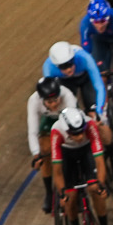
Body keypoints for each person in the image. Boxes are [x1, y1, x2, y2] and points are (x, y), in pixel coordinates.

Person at [49, 106, 113, 225]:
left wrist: (101, 185)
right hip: (66, 155)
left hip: (86, 152)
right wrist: (62, 194)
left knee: (95, 189)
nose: (79, 136)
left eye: (81, 132)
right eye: (75, 133)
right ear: (66, 131)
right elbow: (58, 171)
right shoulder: (56, 131)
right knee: (70, 196)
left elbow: (99, 161)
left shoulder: (90, 125)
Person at [27, 76, 79, 214]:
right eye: (49, 102)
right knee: (44, 150)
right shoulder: (34, 101)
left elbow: (72, 129)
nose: (54, 104)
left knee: (72, 149)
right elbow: (33, 131)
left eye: (56, 100)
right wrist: (36, 154)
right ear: (42, 100)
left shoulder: (67, 96)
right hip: (50, 121)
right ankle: (49, 193)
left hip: (67, 121)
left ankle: (76, 187)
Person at [43, 41, 111, 144]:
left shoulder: (84, 58)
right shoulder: (48, 67)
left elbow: (99, 86)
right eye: (63, 67)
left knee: (93, 113)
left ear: (74, 59)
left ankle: (109, 145)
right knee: (68, 110)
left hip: (85, 79)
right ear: (56, 66)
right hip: (65, 82)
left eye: (70, 64)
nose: (68, 69)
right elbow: (50, 91)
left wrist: (99, 111)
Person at [79, 0, 113, 87]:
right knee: (101, 74)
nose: (100, 26)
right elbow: (86, 51)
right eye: (96, 22)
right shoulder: (85, 24)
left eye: (102, 21)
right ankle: (105, 98)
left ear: (108, 18)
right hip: (99, 40)